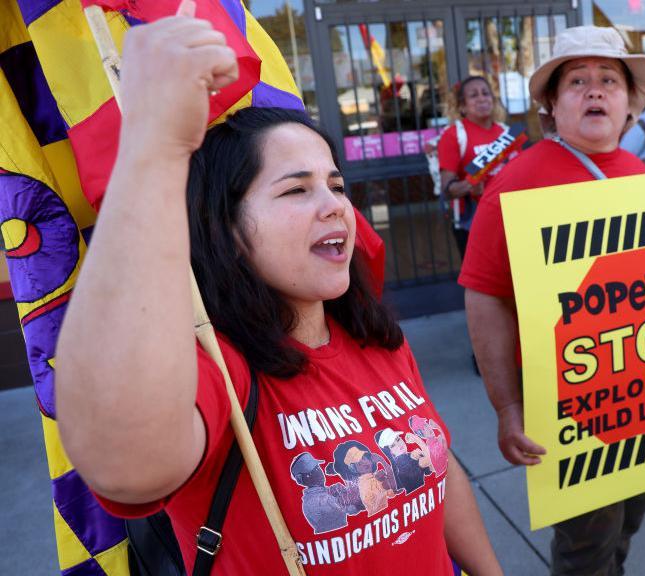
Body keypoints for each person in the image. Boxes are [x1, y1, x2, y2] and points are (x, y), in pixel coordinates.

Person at [53, 6, 502, 575]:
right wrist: (153, 147)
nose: (334, 205)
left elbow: (440, 471)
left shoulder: (377, 339)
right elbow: (123, 465)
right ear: (228, 231)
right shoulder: (218, 370)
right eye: (296, 191)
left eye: (335, 185)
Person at [459, 25, 645, 575]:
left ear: (631, 105)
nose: (595, 89)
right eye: (576, 81)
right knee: (586, 546)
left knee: (630, 519)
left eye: (609, 79)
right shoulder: (514, 186)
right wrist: (508, 409)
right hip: (570, 412)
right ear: (552, 106)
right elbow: (484, 300)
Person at [437, 75, 521, 258]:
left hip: (510, 219)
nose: (482, 98)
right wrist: (468, 186)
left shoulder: (507, 133)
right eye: (473, 95)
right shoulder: (453, 136)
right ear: (462, 106)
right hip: (474, 223)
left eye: (485, 93)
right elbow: (448, 188)